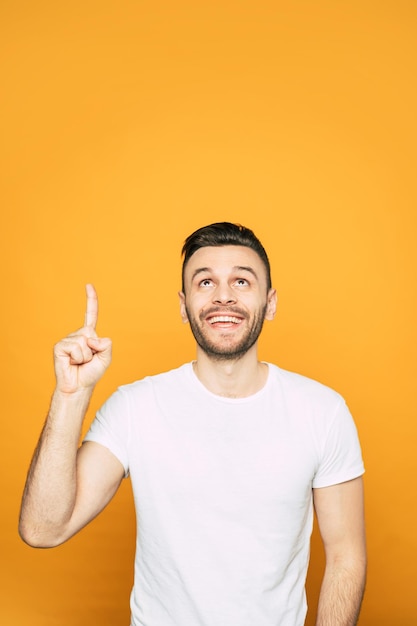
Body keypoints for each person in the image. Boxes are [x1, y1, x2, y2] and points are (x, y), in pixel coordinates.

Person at [19, 222, 366, 626]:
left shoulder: (322, 411)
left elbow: (346, 556)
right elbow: (43, 529)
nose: (223, 296)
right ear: (183, 306)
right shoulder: (136, 408)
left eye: (241, 281)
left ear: (270, 303)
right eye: (205, 282)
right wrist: (70, 396)